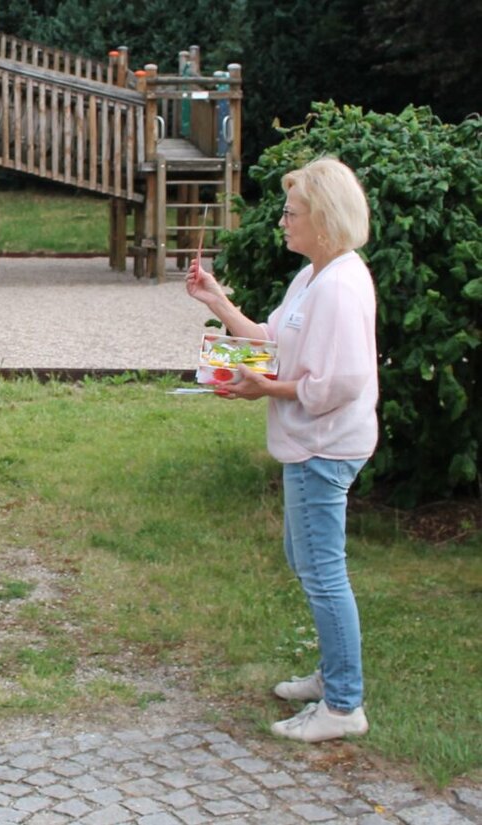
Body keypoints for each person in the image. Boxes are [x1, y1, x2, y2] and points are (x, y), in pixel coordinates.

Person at [184, 157, 378, 743]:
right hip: (307, 443)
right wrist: (218, 303)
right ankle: (333, 675)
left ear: (324, 219)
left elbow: (339, 382)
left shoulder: (341, 285)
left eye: (292, 213)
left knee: (322, 572)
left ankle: (344, 706)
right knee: (307, 561)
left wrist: (269, 389)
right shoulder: (314, 274)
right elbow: (270, 339)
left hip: (325, 446)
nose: (283, 222)